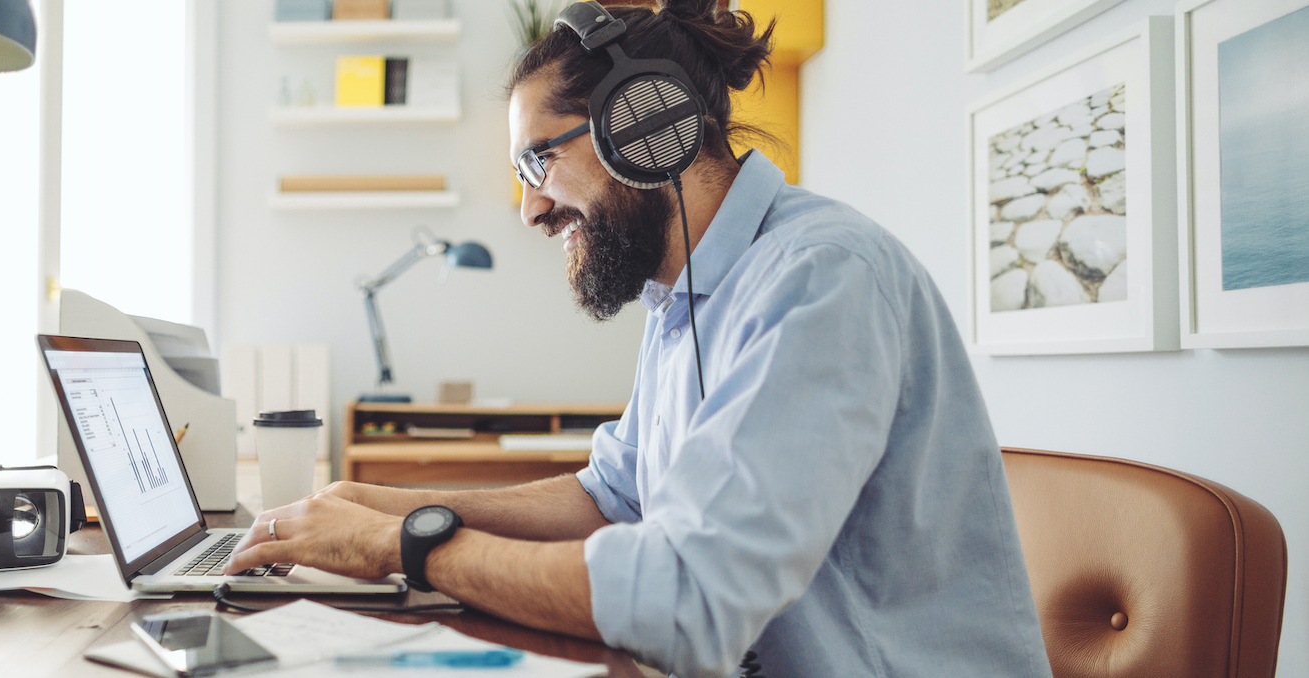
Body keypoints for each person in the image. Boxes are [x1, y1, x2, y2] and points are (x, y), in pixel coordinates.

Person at [225, 1, 1053, 675]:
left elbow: (687, 599)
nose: (530, 210)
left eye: (536, 163)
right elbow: (612, 498)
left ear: (643, 126)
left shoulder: (820, 278)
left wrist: (402, 545)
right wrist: (381, 504)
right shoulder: (682, 296)